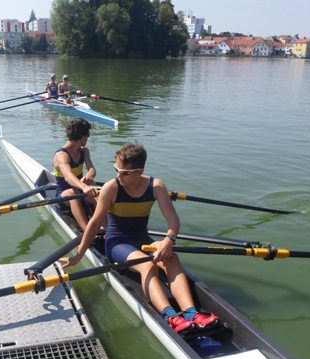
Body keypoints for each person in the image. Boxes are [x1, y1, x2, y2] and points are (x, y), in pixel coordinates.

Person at [61, 143, 219, 334]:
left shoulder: (156, 186)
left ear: (140, 171)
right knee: (147, 265)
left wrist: (168, 240)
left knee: (172, 257)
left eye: (125, 173)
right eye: (116, 170)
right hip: (117, 243)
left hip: (143, 239)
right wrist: (79, 255)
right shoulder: (112, 187)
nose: (119, 176)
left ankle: (191, 313)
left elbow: (173, 220)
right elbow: (94, 224)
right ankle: (171, 317)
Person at [53, 118, 99, 230]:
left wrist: (89, 175)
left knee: (96, 190)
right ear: (82, 137)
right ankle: (87, 230)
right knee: (72, 192)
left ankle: (106, 227)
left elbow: (92, 169)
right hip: (64, 195)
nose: (88, 138)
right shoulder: (62, 155)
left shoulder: (84, 151)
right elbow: (68, 176)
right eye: (88, 135)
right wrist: (84, 187)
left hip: (81, 190)